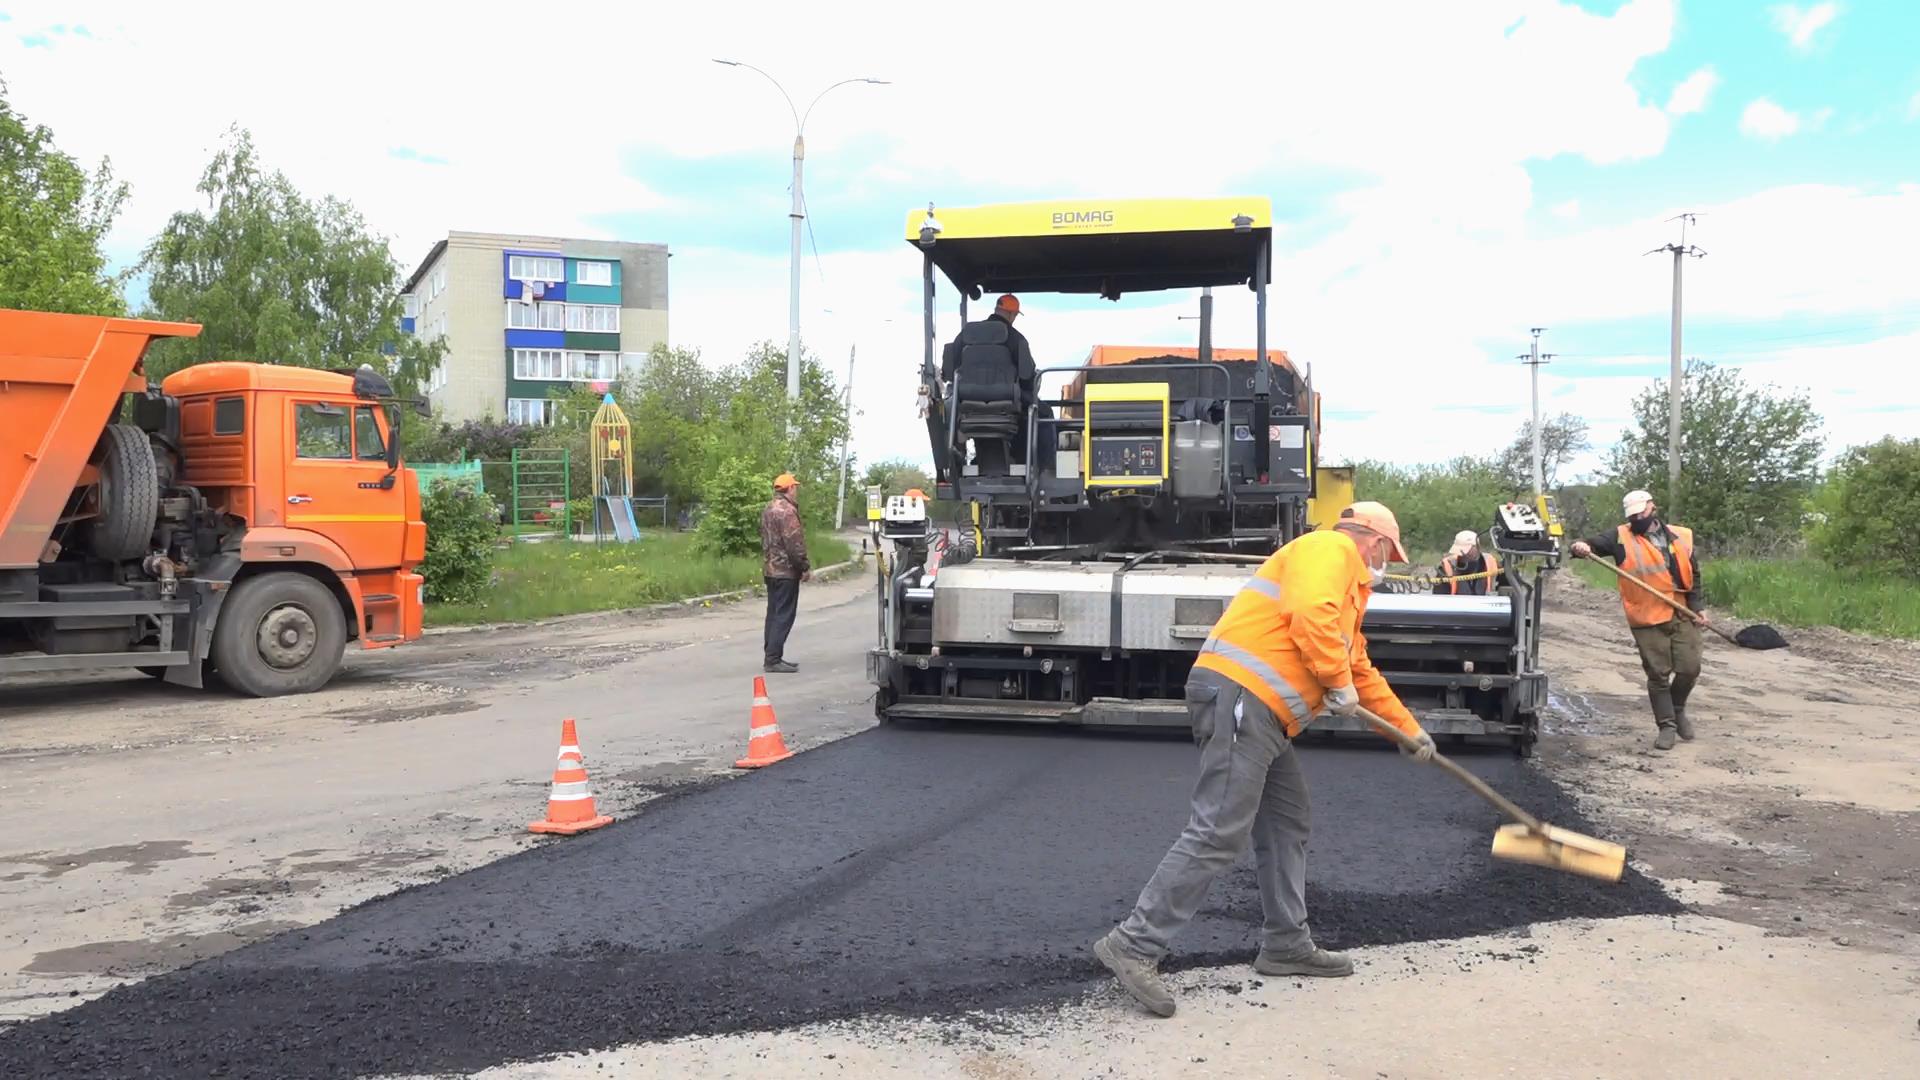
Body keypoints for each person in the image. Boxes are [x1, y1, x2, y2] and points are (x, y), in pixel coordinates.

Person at [1093, 501, 1436, 1018]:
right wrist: (1335, 682)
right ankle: (1135, 944)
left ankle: (1286, 943)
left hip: (1264, 715)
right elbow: (1310, 615)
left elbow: (1358, 668)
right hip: (1242, 698)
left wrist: (1409, 731)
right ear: (1374, 539)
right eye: (1388, 551)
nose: (1383, 562)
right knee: (1219, 830)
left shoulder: (1348, 594)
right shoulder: (1331, 547)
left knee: (1286, 821)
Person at [1570, 489, 1705, 751]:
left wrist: (1698, 606)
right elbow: (1590, 545)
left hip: (1680, 609)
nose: (1637, 519)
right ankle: (1666, 726)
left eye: (1641, 513)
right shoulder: (1621, 536)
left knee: (1690, 667)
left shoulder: (1681, 535)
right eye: (1633, 516)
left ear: (1652, 507)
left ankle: (1677, 709)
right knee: (1658, 673)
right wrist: (1580, 546)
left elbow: (1694, 574)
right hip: (1646, 615)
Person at [759, 473, 811, 674]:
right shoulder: (788, 512)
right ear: (789, 489)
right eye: (795, 487)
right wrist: (804, 567)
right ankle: (773, 659)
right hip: (785, 572)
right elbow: (794, 543)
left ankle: (771, 655)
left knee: (773, 613)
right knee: (784, 615)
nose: (796, 490)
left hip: (770, 569)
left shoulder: (768, 508)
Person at [1433, 529, 1500, 596]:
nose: (1463, 554)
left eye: (1466, 549)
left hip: (1485, 604)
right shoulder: (1447, 567)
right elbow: (1439, 598)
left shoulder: (1492, 563)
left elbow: (1506, 587)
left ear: (1477, 547)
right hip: (1456, 605)